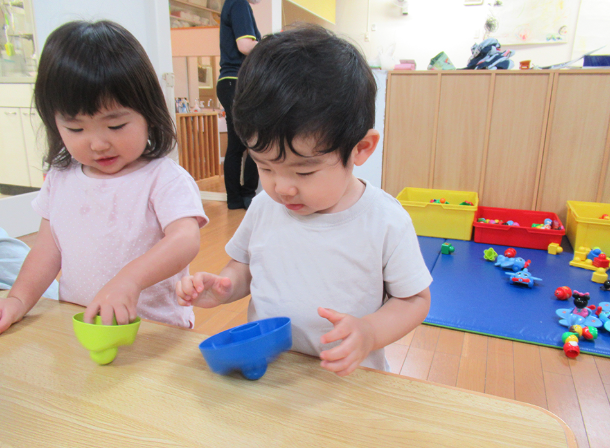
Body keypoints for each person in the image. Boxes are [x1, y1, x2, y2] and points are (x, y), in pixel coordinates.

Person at [176, 25, 432, 376]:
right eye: (265, 166)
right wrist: (225, 287)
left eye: (304, 171)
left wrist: (370, 332)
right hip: (272, 373)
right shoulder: (265, 207)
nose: (283, 188)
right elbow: (246, 267)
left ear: (360, 148)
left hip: (347, 379)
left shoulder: (384, 220)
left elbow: (414, 299)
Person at [0, 20, 208, 334]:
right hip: (83, 326)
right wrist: (17, 299)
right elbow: (46, 251)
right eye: (76, 128)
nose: (98, 144)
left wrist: (130, 280)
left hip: (153, 330)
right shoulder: (61, 178)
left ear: (149, 114)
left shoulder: (163, 178)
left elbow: (185, 239)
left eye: (115, 126)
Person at [217, 0, 261, 210]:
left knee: (238, 144)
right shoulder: (239, 3)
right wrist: (271, 45)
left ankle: (236, 199)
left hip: (230, 83)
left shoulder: (234, 3)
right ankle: (246, 195)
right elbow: (245, 45)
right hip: (237, 82)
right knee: (255, 141)